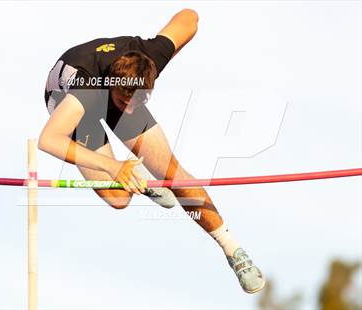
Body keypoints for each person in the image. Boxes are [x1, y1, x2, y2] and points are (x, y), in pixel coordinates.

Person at [39, 8, 265, 294]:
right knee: (118, 198)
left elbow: (190, 17)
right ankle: (136, 177)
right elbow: (49, 140)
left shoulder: (149, 57)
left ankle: (233, 250)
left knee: (174, 174)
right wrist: (112, 166)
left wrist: (172, 50)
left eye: (139, 101)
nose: (132, 109)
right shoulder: (85, 87)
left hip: (114, 89)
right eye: (125, 101)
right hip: (71, 101)